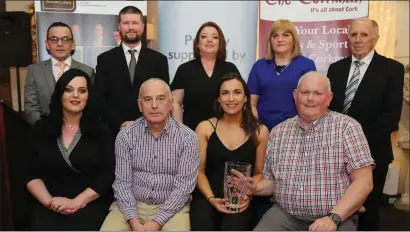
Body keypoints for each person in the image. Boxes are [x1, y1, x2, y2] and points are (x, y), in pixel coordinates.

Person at [245, 71, 374, 231]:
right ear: (295, 95)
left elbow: (364, 181)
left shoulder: (347, 128)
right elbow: (273, 183)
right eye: (305, 92)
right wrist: (256, 188)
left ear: (329, 98)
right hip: (286, 215)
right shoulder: (278, 132)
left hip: (336, 216)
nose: (310, 99)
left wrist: (334, 218)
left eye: (317, 93)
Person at [327, 18, 404, 231]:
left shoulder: (392, 69)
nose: (358, 39)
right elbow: (330, 111)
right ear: (348, 38)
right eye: (353, 35)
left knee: (368, 212)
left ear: (375, 38)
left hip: (373, 154)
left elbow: (391, 116)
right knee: (337, 209)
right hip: (335, 153)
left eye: (364, 35)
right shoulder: (335, 69)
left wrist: (356, 146)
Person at [100, 78, 200, 231]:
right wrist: (134, 222)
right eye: (148, 100)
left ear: (171, 103)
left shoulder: (188, 138)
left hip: (172, 208)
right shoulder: (126, 135)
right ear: (140, 105)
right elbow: (122, 183)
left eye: (160, 99)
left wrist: (157, 222)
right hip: (129, 207)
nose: (154, 105)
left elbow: (184, 188)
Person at [25, 69, 115, 230]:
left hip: (88, 205)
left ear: (89, 96)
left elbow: (107, 175)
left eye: (82, 90)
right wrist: (50, 202)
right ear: (60, 94)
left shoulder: (101, 130)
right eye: (69, 89)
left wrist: (76, 202)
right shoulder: (41, 128)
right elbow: (29, 173)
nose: (75, 95)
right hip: (48, 204)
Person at [190, 73, 269, 230]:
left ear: (246, 98)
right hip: (207, 196)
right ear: (219, 99)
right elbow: (199, 172)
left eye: (237, 92)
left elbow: (260, 173)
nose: (231, 98)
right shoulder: (205, 128)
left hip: (240, 199)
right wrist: (211, 198)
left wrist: (248, 190)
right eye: (225, 93)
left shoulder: (260, 131)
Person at [94, 6, 169, 137]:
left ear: (142, 26)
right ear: (119, 26)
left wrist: (140, 123)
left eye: (135, 23)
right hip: (113, 133)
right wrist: (121, 123)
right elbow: (99, 98)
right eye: (126, 23)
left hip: (151, 132)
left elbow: (163, 99)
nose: (130, 27)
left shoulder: (159, 60)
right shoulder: (105, 60)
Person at [247, 19, 316, 131]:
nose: (280, 39)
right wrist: (258, 128)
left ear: (293, 39)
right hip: (264, 130)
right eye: (275, 36)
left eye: (285, 35)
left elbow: (312, 102)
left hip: (297, 131)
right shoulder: (259, 66)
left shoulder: (307, 65)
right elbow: (251, 103)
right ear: (270, 41)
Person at [171, 21, 240, 131]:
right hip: (192, 134)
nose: (209, 40)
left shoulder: (230, 69)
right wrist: (180, 133)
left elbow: (239, 100)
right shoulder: (184, 69)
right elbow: (176, 103)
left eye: (215, 37)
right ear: (197, 43)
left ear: (220, 43)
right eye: (204, 37)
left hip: (225, 134)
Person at [24, 22, 95, 126]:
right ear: (47, 44)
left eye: (65, 39)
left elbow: (91, 106)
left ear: (73, 44)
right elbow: (31, 108)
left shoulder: (87, 71)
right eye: (54, 39)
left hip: (79, 134)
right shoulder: (34, 71)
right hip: (44, 133)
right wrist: (45, 130)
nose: (60, 44)